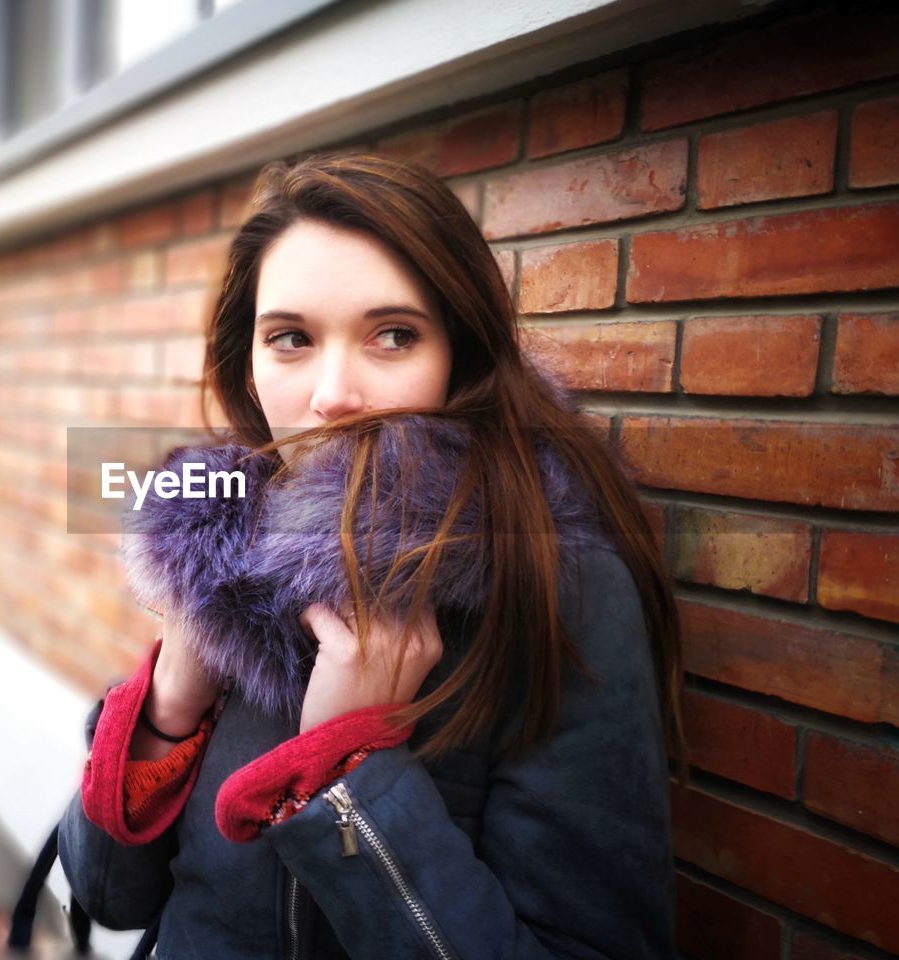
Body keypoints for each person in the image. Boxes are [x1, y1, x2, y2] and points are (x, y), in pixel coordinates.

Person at [56, 152, 686, 959]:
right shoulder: (225, 557)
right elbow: (108, 896)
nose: (332, 396)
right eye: (290, 338)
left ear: (459, 354)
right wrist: (167, 706)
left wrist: (347, 769)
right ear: (247, 363)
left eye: (392, 336)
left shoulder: (556, 587)